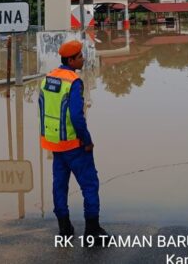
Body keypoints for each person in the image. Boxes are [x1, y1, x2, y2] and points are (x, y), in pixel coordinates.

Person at [39, 40, 109, 241]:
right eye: (79, 56)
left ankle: (65, 229)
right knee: (90, 185)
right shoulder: (73, 82)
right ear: (70, 60)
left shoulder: (48, 78)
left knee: (59, 186)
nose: (83, 59)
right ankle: (93, 232)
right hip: (73, 144)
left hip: (54, 143)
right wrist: (87, 140)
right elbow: (77, 117)